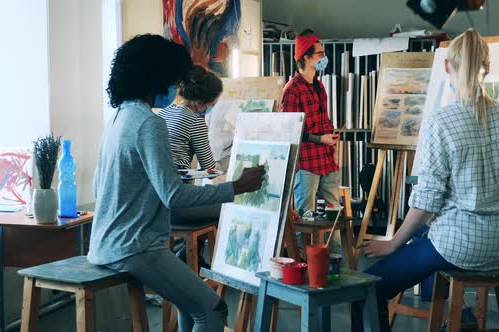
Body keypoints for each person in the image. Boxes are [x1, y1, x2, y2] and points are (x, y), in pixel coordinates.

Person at [87, 34, 265, 332]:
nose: (175, 88)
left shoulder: (119, 117)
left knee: (190, 303)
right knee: (214, 310)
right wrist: (237, 187)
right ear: (156, 77)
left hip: (105, 244)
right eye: (172, 80)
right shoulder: (148, 122)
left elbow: (97, 187)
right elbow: (174, 196)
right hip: (134, 248)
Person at [352, 29, 499, 331]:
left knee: (366, 290)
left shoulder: (441, 121)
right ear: (488, 67)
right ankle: (461, 316)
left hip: (462, 246)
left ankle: (458, 315)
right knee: (427, 238)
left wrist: (393, 242)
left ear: (447, 67)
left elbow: (427, 199)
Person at [158, 65, 226, 269]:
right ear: (201, 102)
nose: (214, 106)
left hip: (156, 201)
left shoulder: (164, 112)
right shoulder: (194, 121)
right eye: (214, 103)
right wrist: (230, 161)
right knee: (226, 206)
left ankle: (186, 255)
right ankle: (194, 258)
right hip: (177, 203)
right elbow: (210, 169)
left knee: (205, 195)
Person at [281, 29, 340, 215]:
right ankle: (303, 246)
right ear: (306, 57)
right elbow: (289, 129)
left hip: (327, 158)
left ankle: (335, 246)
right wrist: (319, 139)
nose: (324, 57)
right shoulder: (292, 89)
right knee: (306, 215)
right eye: (320, 54)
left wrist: (332, 142)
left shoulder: (320, 85)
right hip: (306, 162)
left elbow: (324, 119)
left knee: (334, 212)